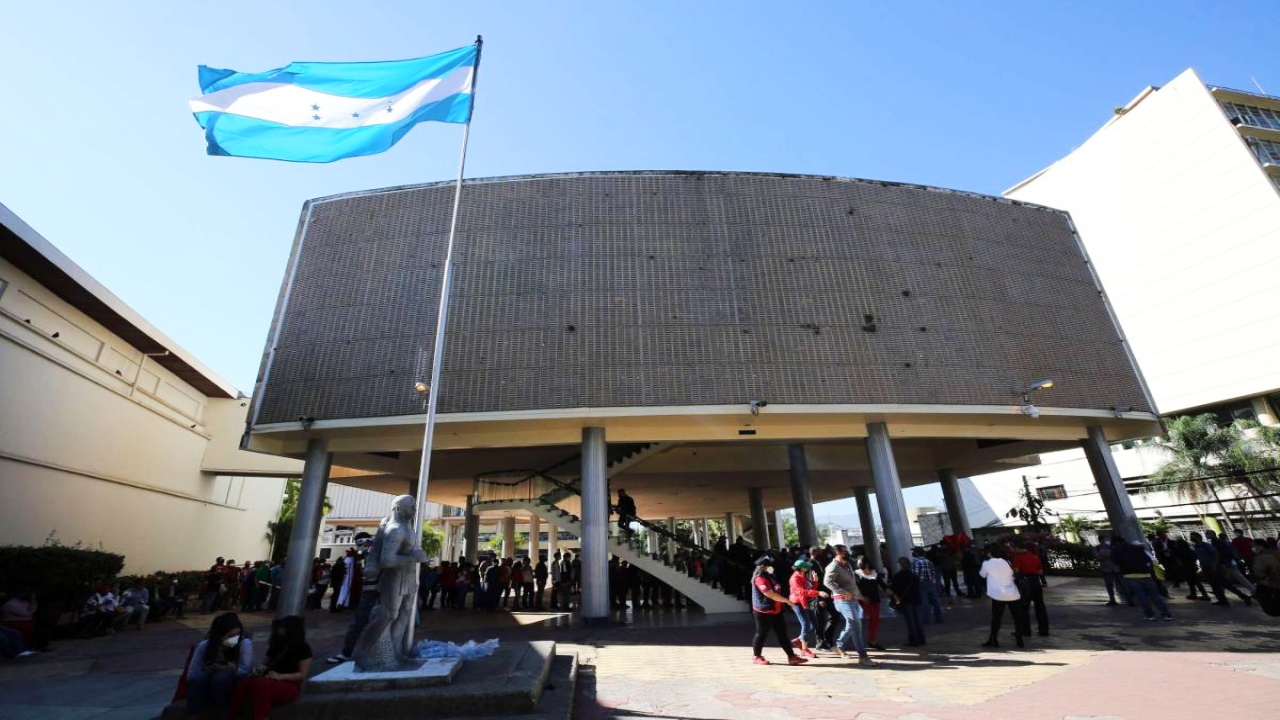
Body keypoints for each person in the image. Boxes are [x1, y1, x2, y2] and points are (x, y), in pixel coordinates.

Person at [230, 615, 310, 720]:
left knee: (260, 684)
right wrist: (259, 669)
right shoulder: (276, 644)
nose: (279, 629)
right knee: (244, 684)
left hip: (289, 683)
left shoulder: (303, 648)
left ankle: (262, 717)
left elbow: (302, 674)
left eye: (283, 627)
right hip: (269, 679)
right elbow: (265, 664)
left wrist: (281, 676)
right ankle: (232, 716)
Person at [186, 612, 252, 718]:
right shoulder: (205, 646)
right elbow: (192, 673)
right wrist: (208, 670)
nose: (235, 638)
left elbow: (245, 671)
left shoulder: (244, 643)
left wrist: (231, 668)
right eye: (230, 636)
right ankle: (193, 714)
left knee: (220, 678)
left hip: (232, 678)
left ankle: (224, 712)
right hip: (209, 676)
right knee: (197, 680)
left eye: (237, 635)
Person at [822, 545, 874, 664]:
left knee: (852, 625)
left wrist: (860, 596)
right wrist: (844, 592)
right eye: (842, 551)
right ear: (836, 553)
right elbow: (827, 582)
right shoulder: (833, 566)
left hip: (854, 599)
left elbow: (852, 583)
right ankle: (863, 656)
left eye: (846, 550)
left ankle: (839, 645)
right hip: (843, 600)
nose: (845, 552)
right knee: (856, 625)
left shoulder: (848, 564)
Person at [750, 556, 806, 666]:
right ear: (764, 567)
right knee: (761, 634)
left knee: (782, 634)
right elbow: (770, 594)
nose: (772, 567)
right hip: (763, 612)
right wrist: (787, 601)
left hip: (776, 610)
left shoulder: (771, 576)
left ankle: (791, 657)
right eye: (770, 565)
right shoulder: (759, 578)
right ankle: (756, 656)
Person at [1111, 535, 1174, 621]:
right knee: (1155, 596)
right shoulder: (1138, 548)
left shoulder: (1116, 550)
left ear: (1116, 543)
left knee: (1141, 597)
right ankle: (1166, 614)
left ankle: (1150, 615)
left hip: (1130, 576)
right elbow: (1148, 560)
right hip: (1145, 574)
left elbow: (1115, 562)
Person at [979, 544, 1025, 649]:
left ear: (989, 553)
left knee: (996, 618)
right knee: (1017, 618)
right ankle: (1019, 640)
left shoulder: (987, 563)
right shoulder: (1007, 562)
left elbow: (982, 575)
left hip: (998, 594)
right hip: (1012, 593)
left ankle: (994, 640)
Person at [787, 559, 826, 659]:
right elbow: (801, 591)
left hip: (806, 602)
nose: (808, 568)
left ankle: (799, 639)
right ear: (802, 568)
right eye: (806, 566)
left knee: (814, 624)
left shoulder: (802, 575)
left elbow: (810, 588)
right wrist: (818, 593)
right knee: (805, 624)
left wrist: (815, 580)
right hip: (798, 603)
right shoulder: (795, 578)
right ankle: (804, 650)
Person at [1010, 542, 1049, 636]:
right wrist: (1043, 582)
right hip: (1036, 582)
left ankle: (1025, 630)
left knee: (1023, 608)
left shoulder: (1018, 558)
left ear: (1018, 548)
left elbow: (1016, 572)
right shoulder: (1035, 557)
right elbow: (1040, 571)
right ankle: (1044, 630)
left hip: (1025, 583)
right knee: (1040, 607)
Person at [888, 557, 926, 647]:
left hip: (906, 601)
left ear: (900, 565)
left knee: (910, 621)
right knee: (917, 619)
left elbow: (894, 589)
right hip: (916, 599)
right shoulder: (913, 575)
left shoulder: (898, 576)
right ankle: (921, 639)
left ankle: (913, 640)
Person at [854, 559, 889, 651]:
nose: (859, 564)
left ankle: (872, 640)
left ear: (868, 564)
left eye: (861, 562)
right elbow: (854, 588)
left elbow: (883, 585)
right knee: (874, 619)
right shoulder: (856, 574)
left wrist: (893, 595)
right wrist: (861, 597)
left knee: (875, 621)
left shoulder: (874, 573)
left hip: (875, 599)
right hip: (864, 601)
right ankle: (872, 641)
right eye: (859, 563)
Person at [911, 547, 944, 624]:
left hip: (921, 583)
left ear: (917, 553)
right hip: (930, 582)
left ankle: (924, 619)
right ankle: (939, 617)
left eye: (914, 552)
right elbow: (933, 572)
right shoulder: (928, 561)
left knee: (924, 601)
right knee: (934, 601)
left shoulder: (915, 562)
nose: (913, 553)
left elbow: (914, 575)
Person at [1093, 537, 1126, 606]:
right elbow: (1098, 558)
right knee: (1110, 585)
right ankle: (1113, 599)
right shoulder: (1098, 548)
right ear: (1100, 540)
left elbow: (1119, 556)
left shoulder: (1113, 547)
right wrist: (1110, 556)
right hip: (1108, 569)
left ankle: (1127, 599)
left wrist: (1105, 557)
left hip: (1114, 568)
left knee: (1121, 584)